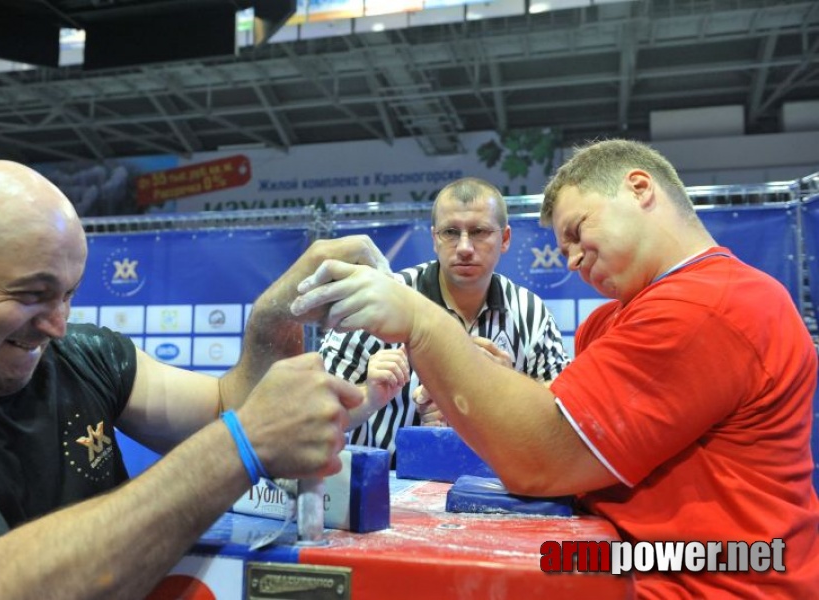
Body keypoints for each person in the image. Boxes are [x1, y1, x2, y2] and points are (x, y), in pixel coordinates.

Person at [290, 139, 819, 597]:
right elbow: (564, 416)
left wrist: (425, 328)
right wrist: (485, 377)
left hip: (714, 583)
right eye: (561, 246)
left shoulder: (709, 305)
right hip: (632, 563)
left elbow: (542, 455)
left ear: (639, 188)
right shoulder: (612, 320)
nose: (569, 259)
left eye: (577, 229)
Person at [0, 161, 393, 599]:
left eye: (68, 295)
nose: (57, 325)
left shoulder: (82, 357)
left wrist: (273, 318)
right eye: (32, 294)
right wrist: (239, 448)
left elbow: (224, 407)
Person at [320, 177, 569, 459]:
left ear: (506, 239)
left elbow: (563, 417)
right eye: (450, 232)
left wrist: (508, 387)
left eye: (479, 232)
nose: (464, 247)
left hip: (491, 488)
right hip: (383, 487)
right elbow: (313, 417)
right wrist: (368, 397)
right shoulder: (378, 301)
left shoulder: (531, 314)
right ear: (434, 239)